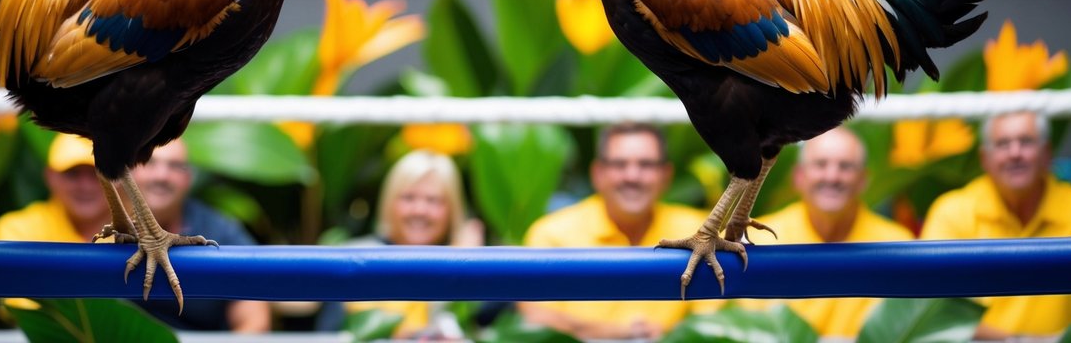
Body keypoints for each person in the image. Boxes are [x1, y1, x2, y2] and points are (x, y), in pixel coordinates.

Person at [518, 123, 717, 339]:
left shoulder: (698, 232)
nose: (632, 176)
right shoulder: (552, 234)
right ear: (597, 173)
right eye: (619, 164)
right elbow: (535, 318)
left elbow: (717, 318)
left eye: (646, 164)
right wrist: (619, 334)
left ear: (666, 175)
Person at [921, 111, 1071, 340]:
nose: (1015, 153)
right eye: (1002, 144)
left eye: (1026, 141)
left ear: (1047, 153)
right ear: (984, 158)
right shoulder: (952, 212)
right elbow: (933, 309)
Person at [744, 127, 913, 339]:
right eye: (820, 164)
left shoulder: (898, 246)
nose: (832, 176)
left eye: (845, 167)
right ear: (799, 177)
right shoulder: (754, 241)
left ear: (863, 179)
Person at [323, 150, 485, 337]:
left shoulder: (473, 262)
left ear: (452, 208)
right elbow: (330, 333)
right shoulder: (354, 258)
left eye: (433, 200)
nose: (419, 210)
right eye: (408, 198)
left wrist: (462, 263)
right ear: (390, 201)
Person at [131, 138, 271, 332]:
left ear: (188, 179)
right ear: (130, 172)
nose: (161, 175)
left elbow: (254, 318)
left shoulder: (217, 231)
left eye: (175, 166)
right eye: (149, 162)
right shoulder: (105, 224)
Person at [0, 133, 110, 243]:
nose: (85, 187)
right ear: (50, 176)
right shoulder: (18, 229)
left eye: (97, 175)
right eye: (72, 174)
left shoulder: (127, 232)